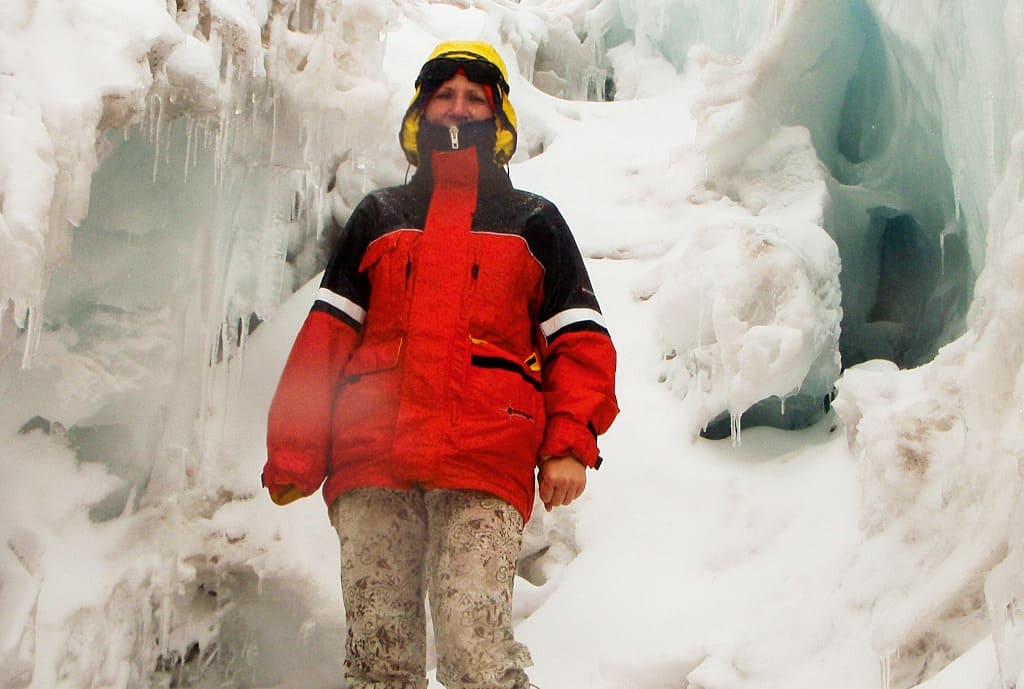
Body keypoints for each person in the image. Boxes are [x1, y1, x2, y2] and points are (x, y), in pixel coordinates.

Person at [261, 40, 618, 689]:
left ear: (499, 115)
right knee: (378, 653)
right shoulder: (379, 216)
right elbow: (326, 340)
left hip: (485, 455)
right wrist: (295, 449)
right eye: (443, 95)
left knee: (474, 645)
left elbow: (580, 341)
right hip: (371, 459)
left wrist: (569, 441)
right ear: (420, 113)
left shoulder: (534, 221)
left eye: (474, 97)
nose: (457, 108)